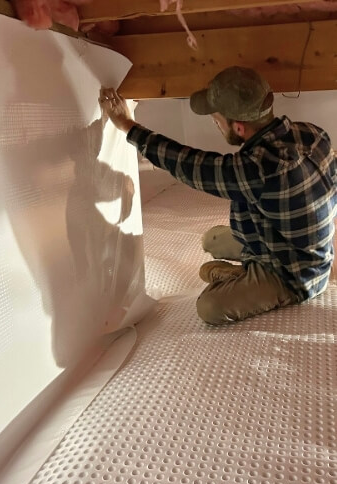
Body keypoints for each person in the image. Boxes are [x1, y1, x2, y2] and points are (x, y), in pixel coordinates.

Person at [99, 66, 336, 325]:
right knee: (211, 240)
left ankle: (252, 277)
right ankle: (249, 269)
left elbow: (188, 164)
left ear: (239, 127)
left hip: (293, 275)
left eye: (216, 120)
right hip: (294, 244)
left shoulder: (258, 170)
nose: (215, 124)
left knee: (209, 307)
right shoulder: (312, 133)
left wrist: (127, 125)